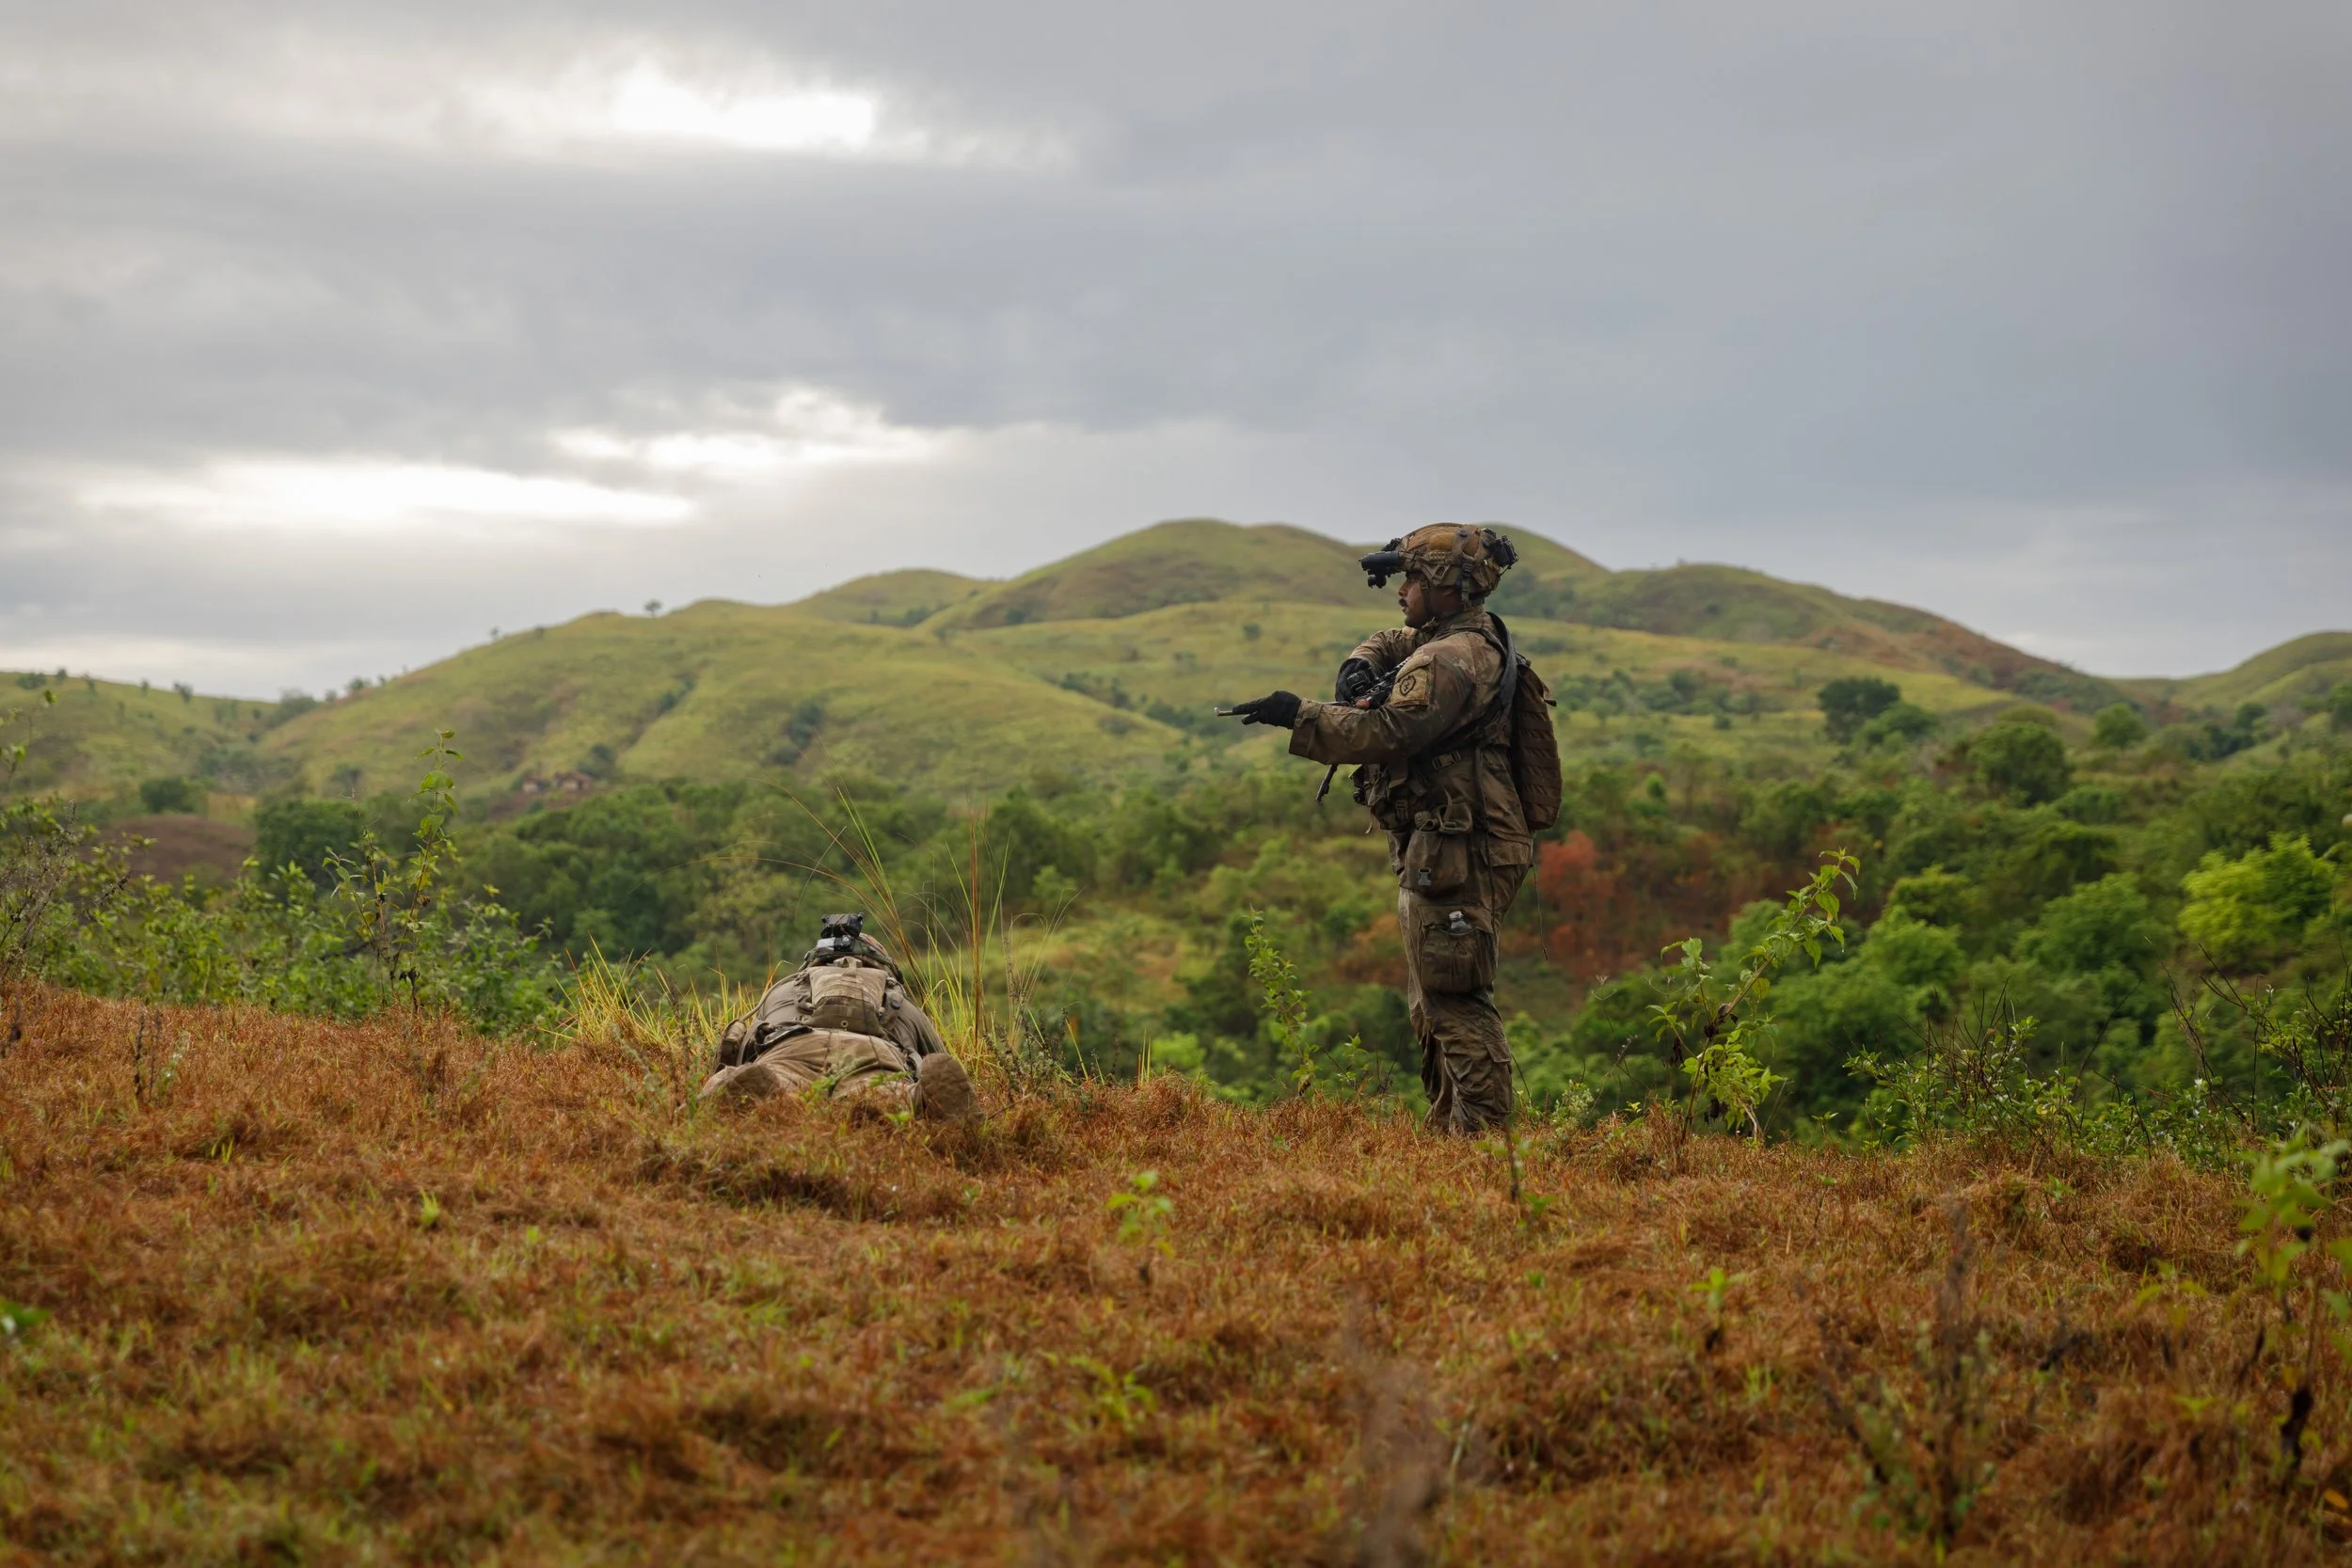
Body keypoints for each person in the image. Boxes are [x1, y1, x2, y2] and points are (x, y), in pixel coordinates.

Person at [1223, 525, 1549, 1132]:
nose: (1402, 590)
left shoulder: (1450, 660)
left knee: (1454, 997)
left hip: (1462, 852)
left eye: (1415, 579)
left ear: (1448, 587)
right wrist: (1361, 661)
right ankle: (1450, 1131)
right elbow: (1396, 638)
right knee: (1432, 999)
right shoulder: (1454, 638)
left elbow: (1388, 733)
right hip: (1446, 848)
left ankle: (1483, 1144)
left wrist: (1299, 714)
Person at [698, 913, 978, 1123]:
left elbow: (743, 1047)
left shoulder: (782, 989)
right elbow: (934, 1058)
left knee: (780, 1082)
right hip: (874, 1056)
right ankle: (914, 1100)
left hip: (790, 1048)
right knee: (887, 1097)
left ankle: (773, 1089)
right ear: (882, 965)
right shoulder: (900, 1001)